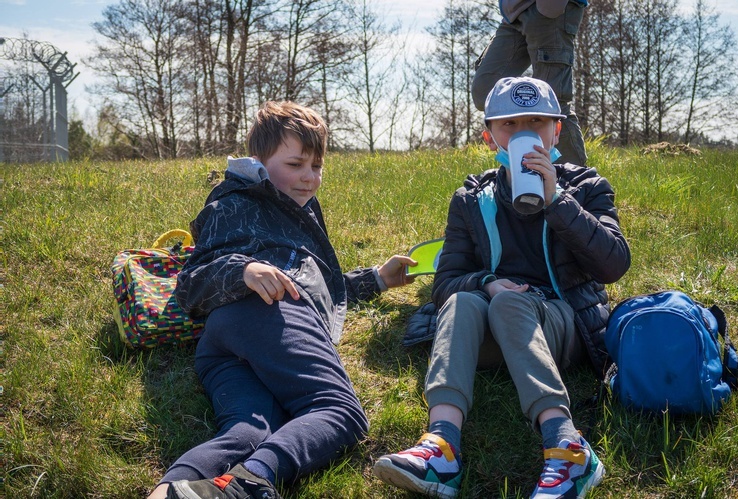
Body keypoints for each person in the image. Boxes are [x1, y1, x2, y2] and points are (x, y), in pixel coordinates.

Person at [373, 77, 631, 499]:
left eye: (536, 122)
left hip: (561, 328)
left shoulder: (586, 186)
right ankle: (440, 447)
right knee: (461, 301)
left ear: (556, 131)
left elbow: (613, 264)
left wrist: (558, 202)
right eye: (510, 124)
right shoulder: (472, 198)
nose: (522, 133)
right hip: (494, 332)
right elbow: (445, 282)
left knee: (510, 305)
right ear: (489, 135)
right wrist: (488, 284)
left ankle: (568, 448)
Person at [148, 101, 416, 499]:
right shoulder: (234, 203)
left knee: (249, 431)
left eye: (317, 166)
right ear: (257, 162)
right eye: (295, 165)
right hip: (269, 314)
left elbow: (313, 283)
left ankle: (168, 491)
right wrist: (243, 270)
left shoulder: (289, 206)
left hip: (225, 343)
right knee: (339, 412)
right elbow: (190, 284)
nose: (309, 178)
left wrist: (376, 279)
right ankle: (250, 483)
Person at [472, 0, 588, 167]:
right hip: (513, 13)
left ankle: (575, 182)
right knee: (485, 91)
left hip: (548, 8)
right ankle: (520, 170)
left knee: (553, 102)